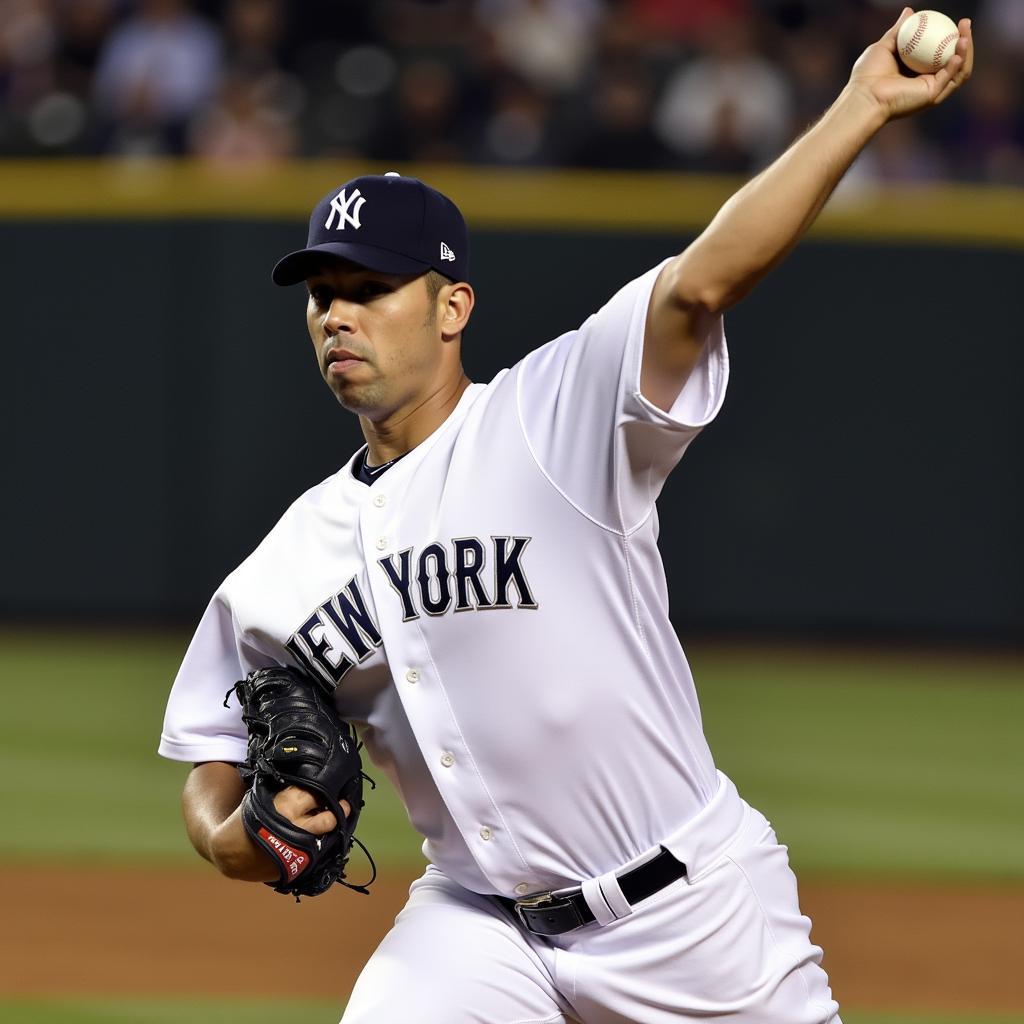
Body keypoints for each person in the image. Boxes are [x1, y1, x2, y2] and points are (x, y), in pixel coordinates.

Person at [159, 11, 973, 1022]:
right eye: (322, 294)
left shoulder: (555, 414)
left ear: (451, 308)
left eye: (369, 289)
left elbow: (702, 281)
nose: (338, 315)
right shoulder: (285, 561)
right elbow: (208, 753)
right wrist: (241, 830)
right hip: (478, 926)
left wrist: (860, 104)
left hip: (687, 910)